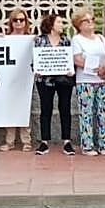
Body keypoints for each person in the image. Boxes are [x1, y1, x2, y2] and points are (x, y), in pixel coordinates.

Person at [71, 9, 105, 156]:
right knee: (86, 113)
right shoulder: (77, 40)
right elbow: (77, 59)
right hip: (85, 80)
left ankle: (103, 144)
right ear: (79, 24)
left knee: (102, 112)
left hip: (102, 80)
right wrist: (95, 70)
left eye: (92, 20)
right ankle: (87, 145)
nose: (90, 23)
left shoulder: (101, 38)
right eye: (86, 21)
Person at [33, 13, 74, 156]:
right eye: (59, 22)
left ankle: (67, 141)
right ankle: (44, 141)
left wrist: (70, 70)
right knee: (46, 109)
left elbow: (69, 60)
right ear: (51, 25)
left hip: (63, 80)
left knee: (65, 108)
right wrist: (36, 70)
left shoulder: (66, 41)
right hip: (45, 80)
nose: (62, 25)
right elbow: (36, 60)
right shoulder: (39, 41)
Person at [1, 9, 34, 152]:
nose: (19, 23)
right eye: (16, 20)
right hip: (9, 80)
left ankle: (26, 140)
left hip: (26, 79)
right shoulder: (5, 39)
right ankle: (9, 141)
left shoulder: (32, 39)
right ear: (11, 22)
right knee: (9, 109)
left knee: (25, 109)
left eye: (22, 20)